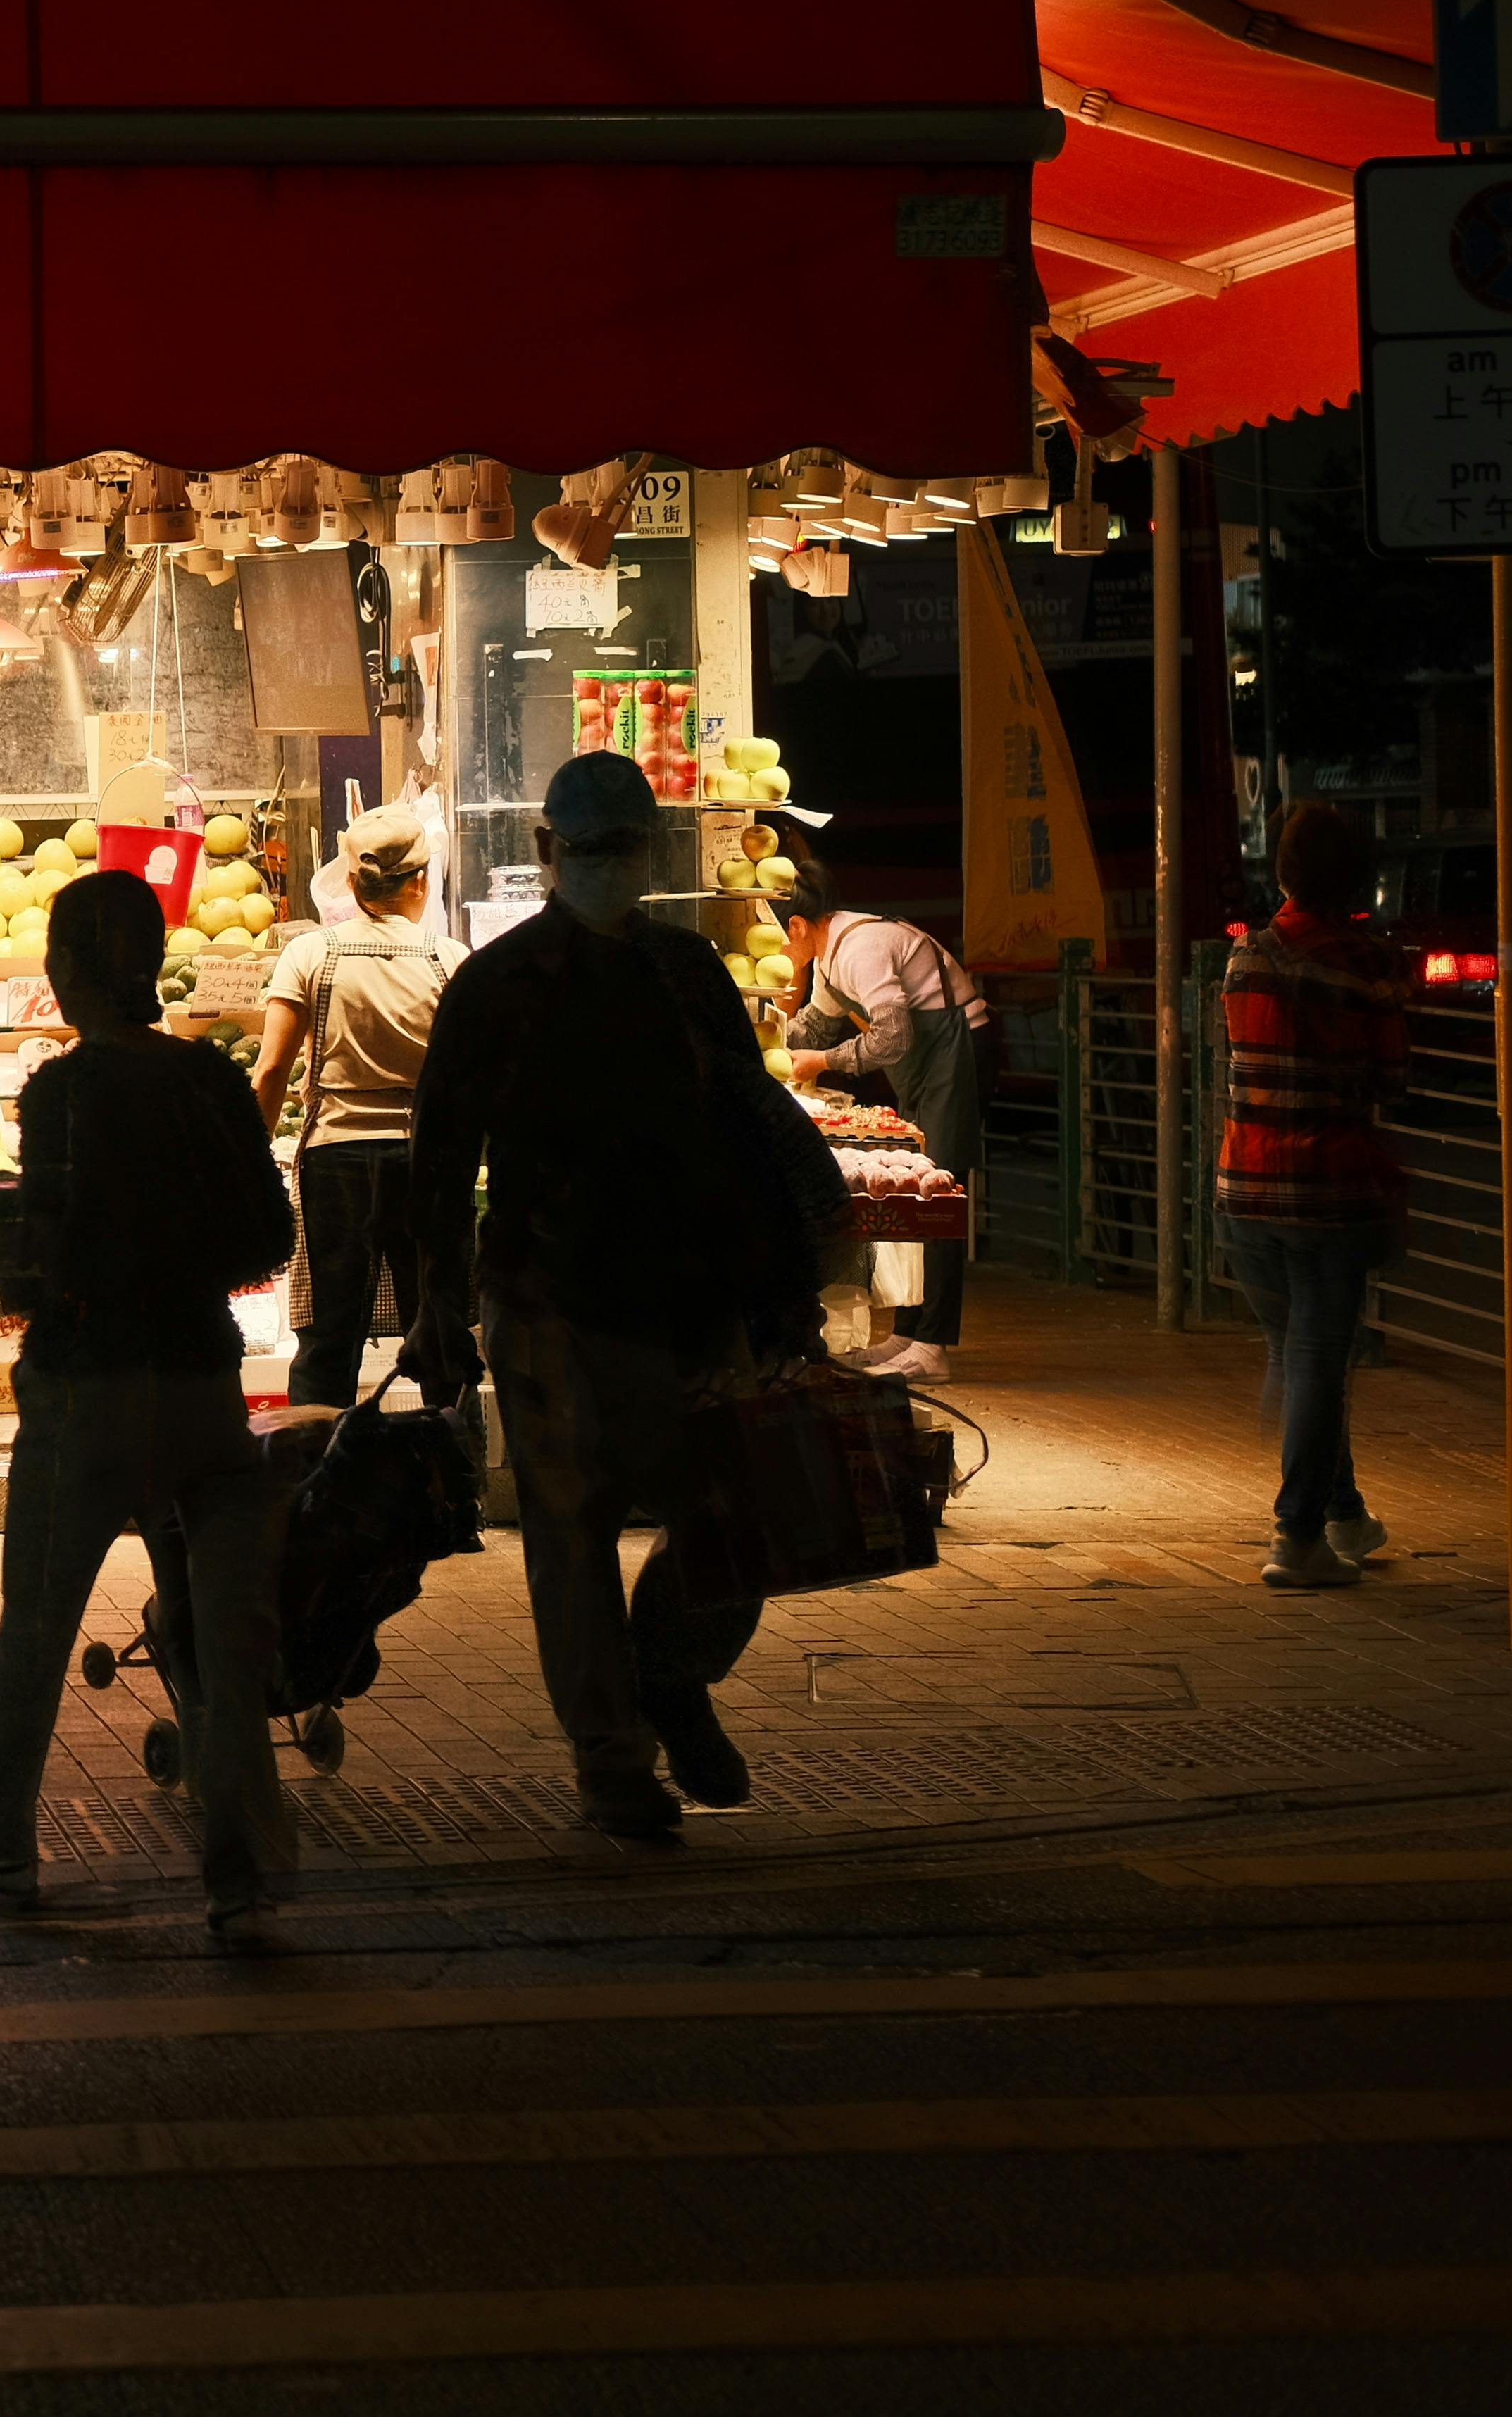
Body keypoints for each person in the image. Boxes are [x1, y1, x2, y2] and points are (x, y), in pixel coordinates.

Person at [408, 752, 835, 1840]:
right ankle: (611, 1759)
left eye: (619, 849)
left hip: (690, 1299)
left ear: (646, 855)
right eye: (589, 849)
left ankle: (668, 1679)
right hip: (550, 1300)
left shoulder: (689, 973)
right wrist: (437, 1308)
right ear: (550, 854)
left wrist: (782, 1291)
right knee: (571, 1531)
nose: (603, 868)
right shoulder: (497, 986)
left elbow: (748, 1131)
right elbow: (442, 1161)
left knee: (729, 1519)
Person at [0, 870, 302, 1929]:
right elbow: (270, 1237)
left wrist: (10, 1266)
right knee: (222, 1640)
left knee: (37, 1622)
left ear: (71, 968)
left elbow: (56, 1246)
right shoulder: (214, 1082)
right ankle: (250, 1867)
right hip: (208, 1389)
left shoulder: (64, 1092)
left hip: (92, 1386)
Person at [1219, 802, 1418, 1592]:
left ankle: (1344, 1512)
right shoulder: (1365, 963)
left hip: (1244, 1185)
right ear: (1358, 876)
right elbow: (1392, 1079)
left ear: (1285, 872)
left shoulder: (1247, 957)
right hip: (1329, 1189)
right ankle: (1297, 1534)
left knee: (1298, 1355)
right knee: (1316, 1361)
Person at [248, 805, 462, 1409]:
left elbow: (269, 1071)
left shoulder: (311, 954)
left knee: (328, 1338)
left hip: (336, 1158)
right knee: (439, 1330)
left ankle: (312, 1479)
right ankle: (454, 1476)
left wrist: (250, 1162)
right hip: (425, 1160)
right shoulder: (450, 959)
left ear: (350, 883)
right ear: (422, 881)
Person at [779, 870, 992, 1382]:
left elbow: (892, 1037)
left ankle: (933, 1346)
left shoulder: (860, 949)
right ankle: (908, 1334)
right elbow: (813, 1024)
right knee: (913, 1200)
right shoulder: (833, 960)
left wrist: (821, 1062)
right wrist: (769, 1043)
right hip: (927, 1066)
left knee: (935, 1198)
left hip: (958, 1053)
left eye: (783, 939)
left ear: (799, 927)